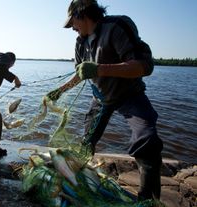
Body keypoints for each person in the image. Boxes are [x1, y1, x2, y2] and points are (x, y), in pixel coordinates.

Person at [46, 0, 163, 201]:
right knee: (87, 143)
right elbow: (80, 74)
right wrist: (59, 91)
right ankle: (76, 177)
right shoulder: (80, 43)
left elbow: (144, 66)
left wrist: (99, 69)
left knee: (148, 141)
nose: (71, 28)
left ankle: (148, 200)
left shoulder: (117, 27)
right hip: (100, 98)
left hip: (130, 95)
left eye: (72, 22)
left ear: (81, 13)